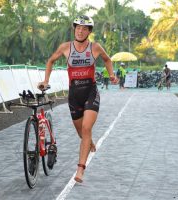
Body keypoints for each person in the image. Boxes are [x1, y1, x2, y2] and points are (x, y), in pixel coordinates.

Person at [37, 15, 118, 183]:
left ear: (89, 31)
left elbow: (107, 59)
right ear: (75, 29)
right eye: (78, 28)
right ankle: (89, 142)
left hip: (90, 92)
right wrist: (46, 81)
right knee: (81, 132)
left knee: (86, 129)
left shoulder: (95, 47)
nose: (80, 31)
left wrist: (111, 75)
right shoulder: (66, 47)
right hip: (74, 94)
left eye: (84, 28)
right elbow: (50, 61)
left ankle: (80, 169)